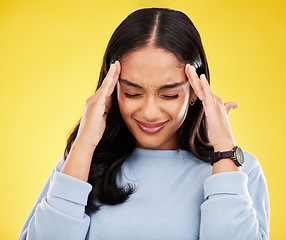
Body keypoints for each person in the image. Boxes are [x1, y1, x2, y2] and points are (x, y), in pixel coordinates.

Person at [19, 7, 270, 240]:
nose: (149, 112)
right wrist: (84, 143)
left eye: (169, 95)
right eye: (131, 93)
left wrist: (224, 149)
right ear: (112, 89)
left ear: (195, 91)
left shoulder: (239, 171)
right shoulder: (78, 165)